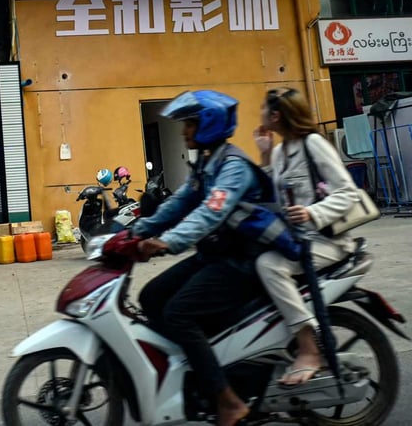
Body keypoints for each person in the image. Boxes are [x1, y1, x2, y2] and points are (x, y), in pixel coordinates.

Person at [132, 90, 266, 426]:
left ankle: (228, 400)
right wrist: (133, 231)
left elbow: (209, 213)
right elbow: (178, 204)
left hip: (239, 262)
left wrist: (168, 242)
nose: (183, 131)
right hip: (214, 256)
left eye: (190, 123)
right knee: (151, 297)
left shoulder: (233, 167)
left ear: (209, 123)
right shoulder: (207, 162)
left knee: (177, 314)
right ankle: (203, 367)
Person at [252, 87, 360, 386]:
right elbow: (271, 196)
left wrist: (314, 212)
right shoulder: (280, 150)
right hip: (295, 239)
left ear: (275, 115)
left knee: (268, 266)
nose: (260, 113)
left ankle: (309, 347)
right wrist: (263, 152)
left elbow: (348, 192)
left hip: (326, 241)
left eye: (264, 108)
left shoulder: (313, 144)